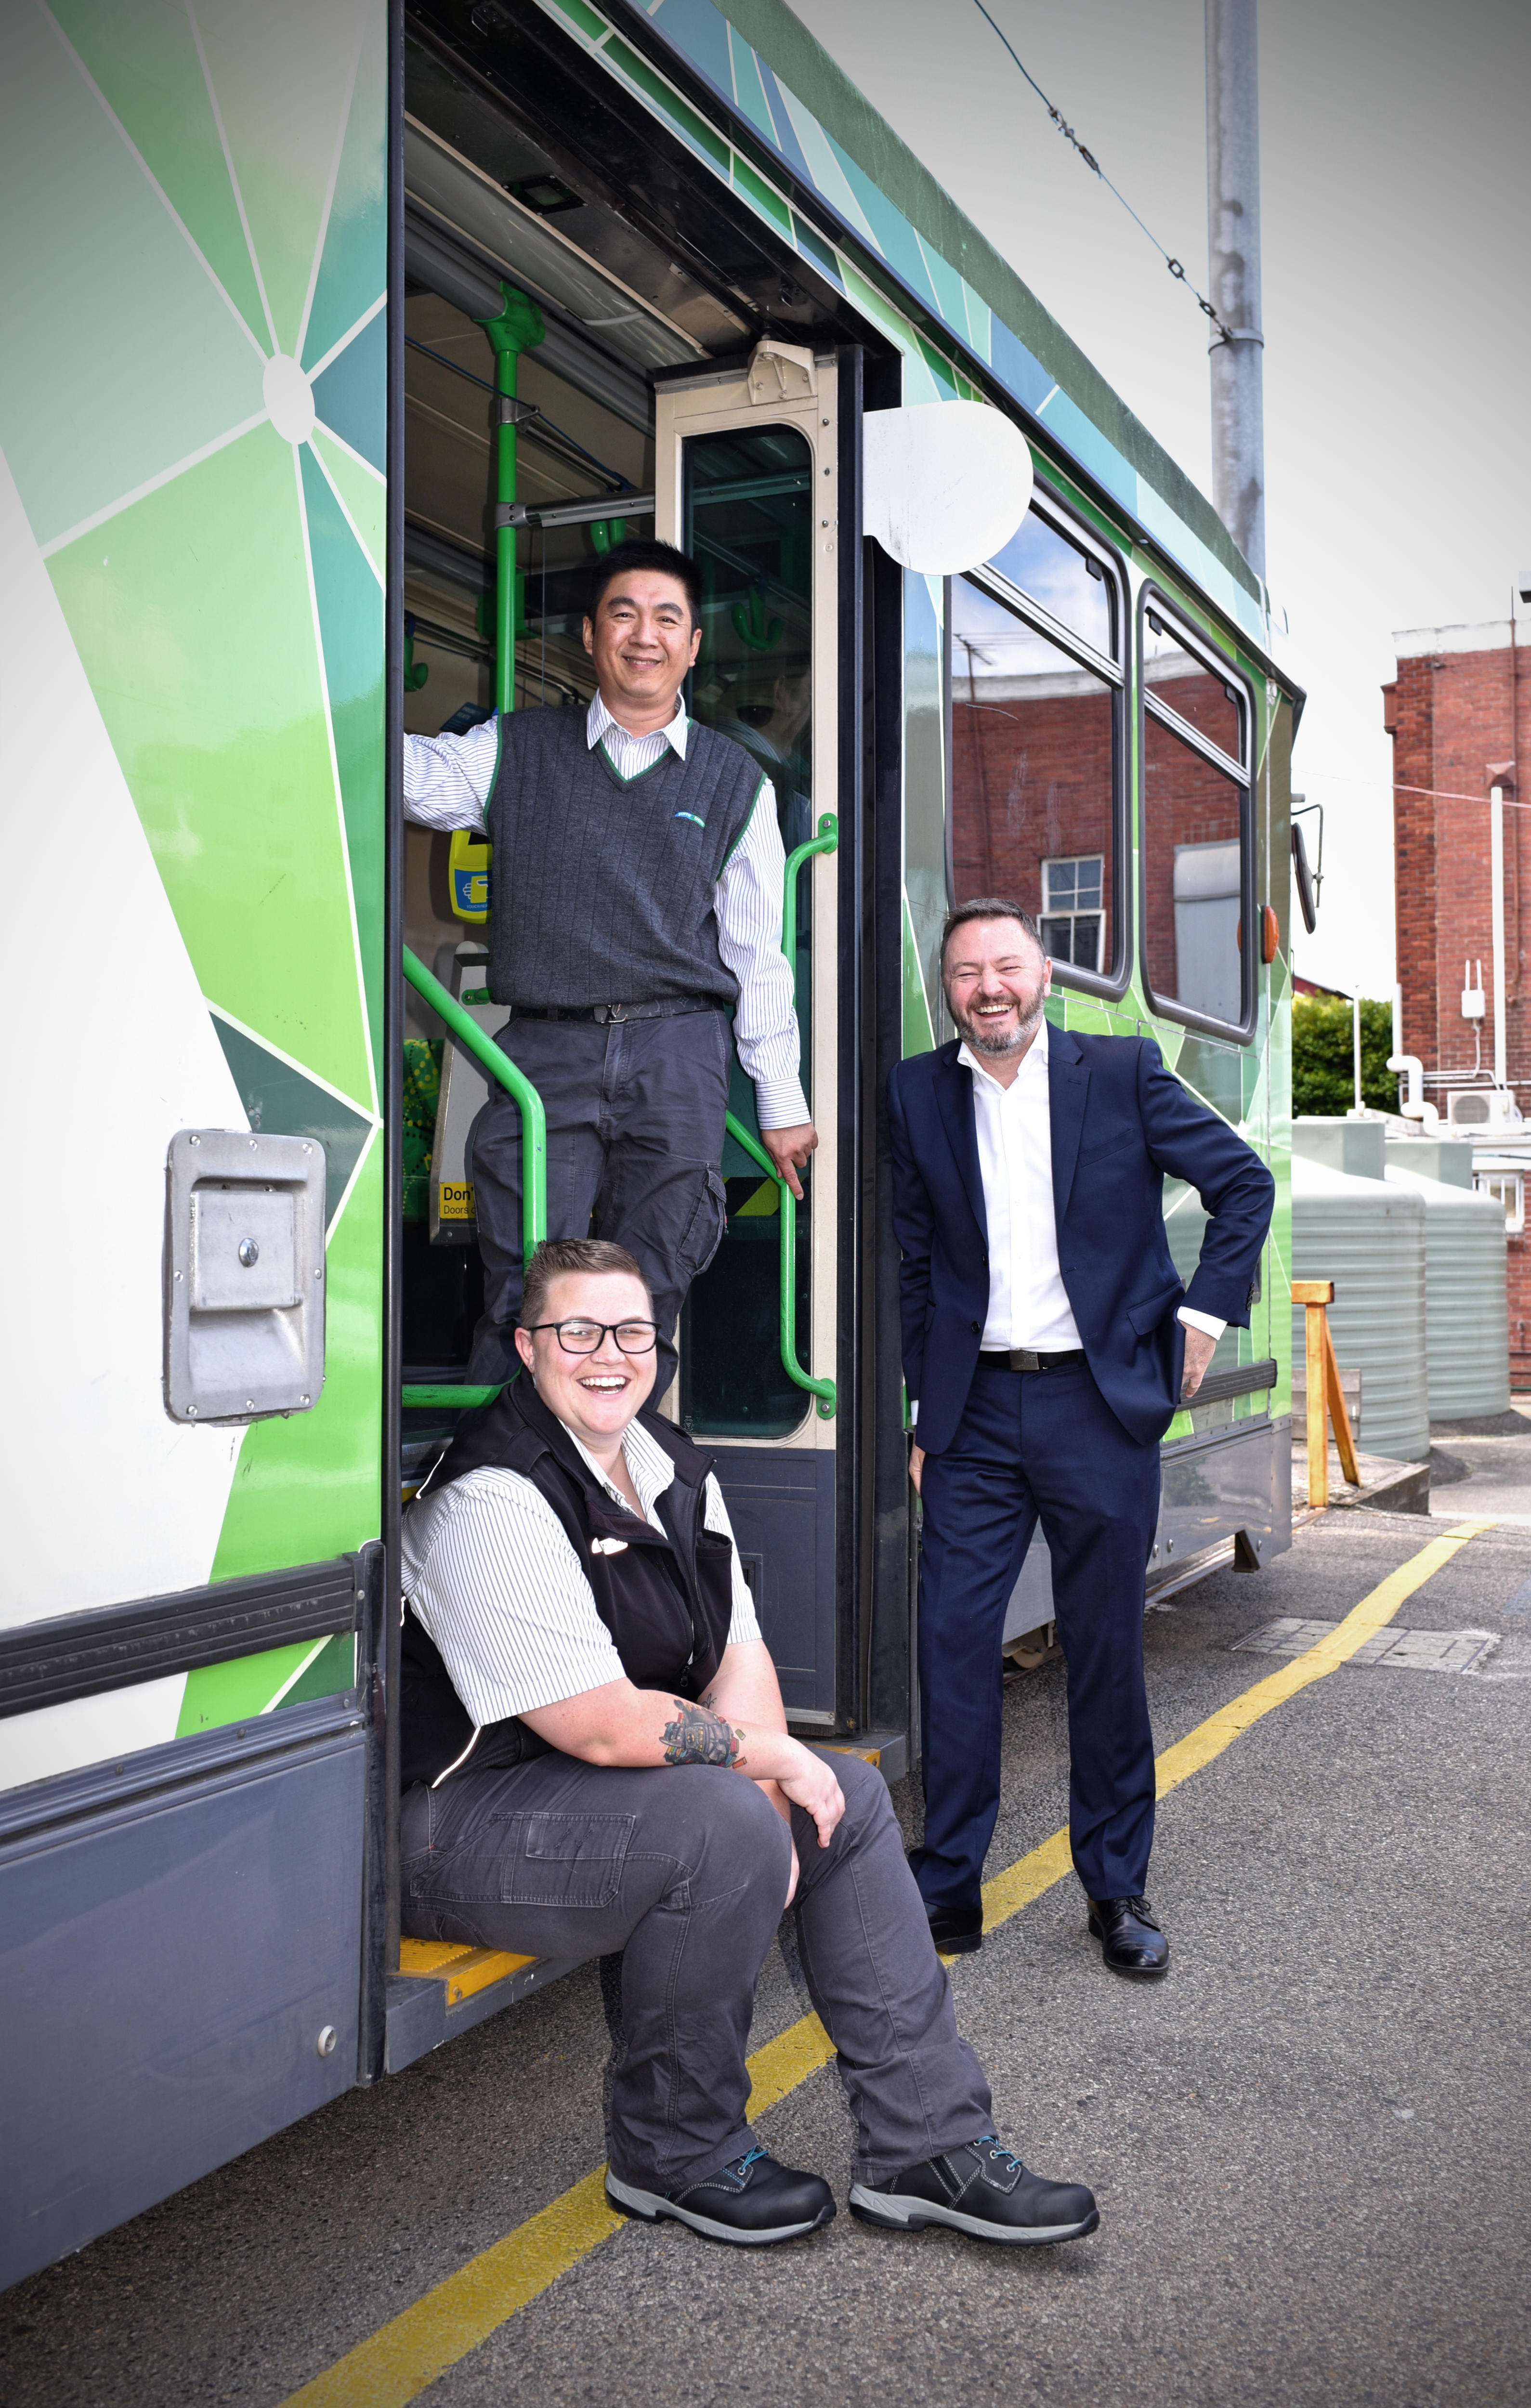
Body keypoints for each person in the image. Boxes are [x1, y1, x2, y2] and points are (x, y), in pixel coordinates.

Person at [399, 1236, 1099, 2250]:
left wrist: (779, 1790)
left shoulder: (669, 1465)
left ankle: (927, 2148)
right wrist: (766, 1771)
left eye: (632, 1330)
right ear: (526, 1345)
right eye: (577, 1330)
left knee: (843, 1802)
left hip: (588, 1798)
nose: (609, 1353)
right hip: (458, 1823)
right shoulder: (492, 1494)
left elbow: (739, 1655)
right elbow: (601, 1725)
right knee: (734, 1809)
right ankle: (672, 2152)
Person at [887, 901, 1275, 1973]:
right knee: (953, 1648)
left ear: (1043, 972)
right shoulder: (917, 1093)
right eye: (966, 971)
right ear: (949, 989)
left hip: (1098, 1408)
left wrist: (1201, 1318)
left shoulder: (1121, 1073)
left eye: (1005, 964)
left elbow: (1243, 1183)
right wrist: (926, 1411)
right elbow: (916, 1266)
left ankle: (1115, 1889)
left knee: (1103, 1647)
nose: (987, 987)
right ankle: (948, 1882)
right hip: (972, 1418)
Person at [403, 538, 818, 1396]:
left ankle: (621, 1500)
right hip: (547, 1052)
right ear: (590, 636)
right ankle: (507, 1497)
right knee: (528, 1292)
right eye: (623, 614)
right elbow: (416, 780)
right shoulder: (513, 748)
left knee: (647, 1295)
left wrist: (780, 1104)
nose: (645, 635)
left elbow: (755, 954)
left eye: (667, 618)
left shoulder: (735, 779)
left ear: (693, 645)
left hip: (678, 1055)